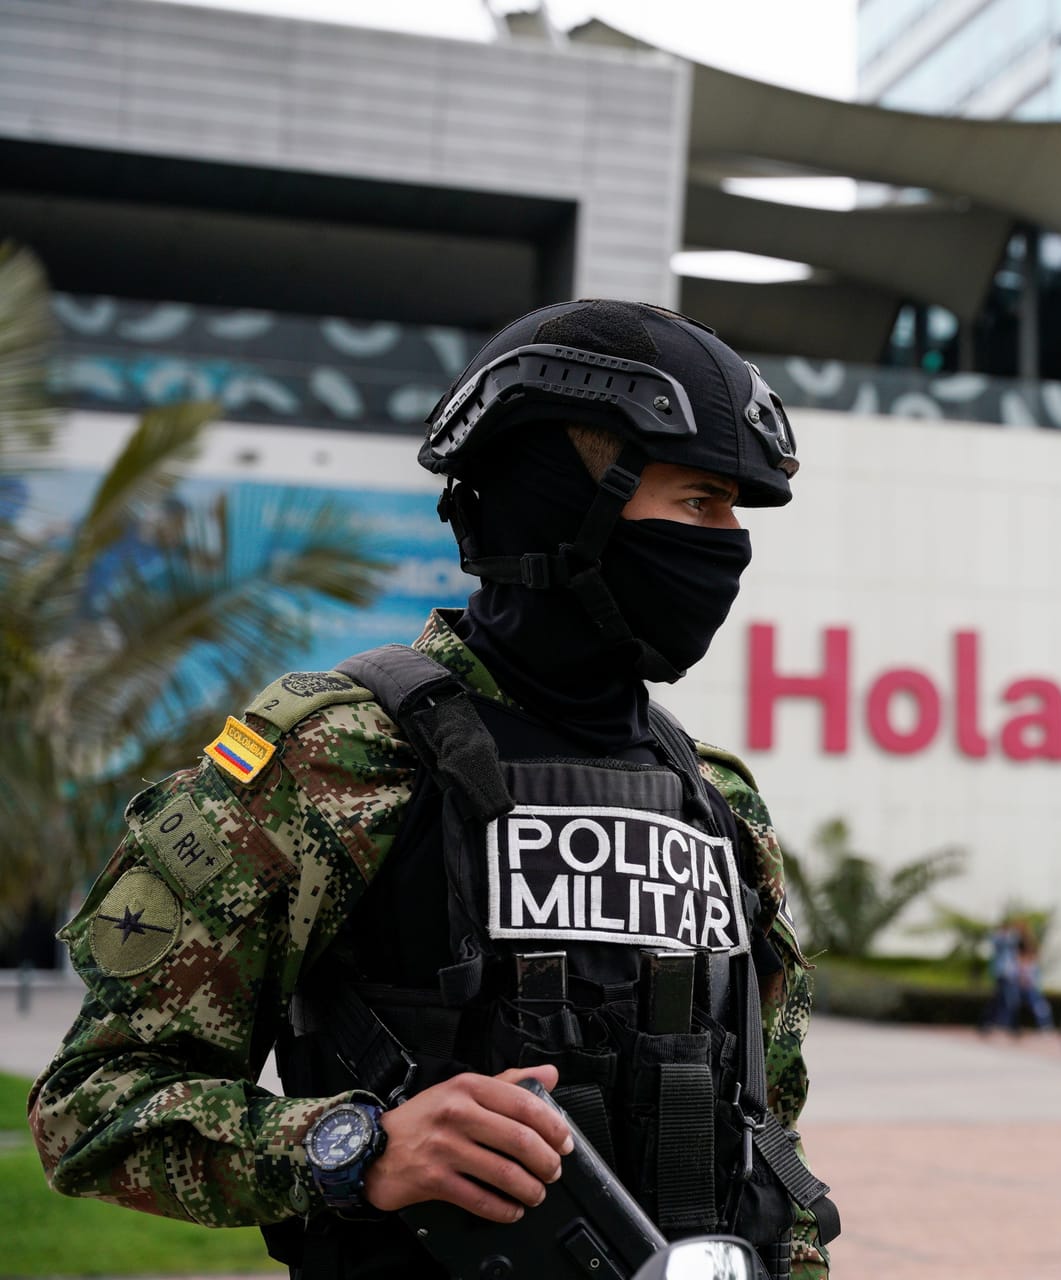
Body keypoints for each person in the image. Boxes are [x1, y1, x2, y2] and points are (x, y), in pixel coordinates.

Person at [29, 300, 838, 1278]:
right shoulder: (336, 762)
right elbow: (93, 1101)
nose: (728, 545)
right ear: (562, 504)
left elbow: (766, 1146)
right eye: (699, 502)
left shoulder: (717, 801)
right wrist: (354, 1146)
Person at [978, 917, 1021, 1033]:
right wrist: (1003, 934)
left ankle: (1011, 1026)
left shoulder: (1012, 940)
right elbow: (998, 941)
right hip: (1001, 975)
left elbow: (1016, 940)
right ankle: (988, 1024)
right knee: (1000, 1000)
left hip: (1011, 975)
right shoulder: (998, 939)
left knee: (1008, 1000)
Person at [1011, 920, 1053, 1033]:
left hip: (1029, 984)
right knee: (1017, 1005)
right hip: (1025, 983)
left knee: (1037, 1006)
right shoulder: (1019, 950)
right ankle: (1015, 1028)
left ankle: (1044, 1025)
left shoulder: (1028, 957)